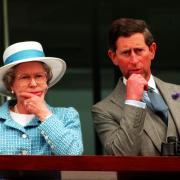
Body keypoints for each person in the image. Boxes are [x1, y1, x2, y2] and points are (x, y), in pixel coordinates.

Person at [91, 18, 180, 156]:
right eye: (126, 53)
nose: (133, 60)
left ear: (152, 51)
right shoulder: (103, 111)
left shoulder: (177, 92)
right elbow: (121, 157)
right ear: (113, 56)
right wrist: (133, 101)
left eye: (139, 51)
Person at [0, 41, 83, 179]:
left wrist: (44, 114)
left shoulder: (67, 116)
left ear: (46, 81)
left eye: (39, 76)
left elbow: (73, 156)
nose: (33, 84)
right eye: (25, 77)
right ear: (11, 85)